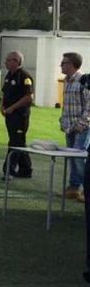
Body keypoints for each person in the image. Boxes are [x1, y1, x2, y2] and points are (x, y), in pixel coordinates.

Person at [60, 52, 90, 202]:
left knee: (80, 158)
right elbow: (67, 105)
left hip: (82, 127)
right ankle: (74, 188)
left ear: (72, 65)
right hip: (70, 127)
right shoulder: (67, 81)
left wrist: (82, 124)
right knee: (72, 158)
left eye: (64, 63)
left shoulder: (83, 80)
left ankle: (85, 190)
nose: (61, 65)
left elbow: (89, 105)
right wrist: (63, 121)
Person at [0, 51, 34, 181]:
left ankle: (9, 170)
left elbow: (28, 97)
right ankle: (26, 169)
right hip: (9, 114)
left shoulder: (24, 77)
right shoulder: (9, 75)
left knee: (15, 143)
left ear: (16, 61)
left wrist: (12, 108)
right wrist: (2, 106)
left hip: (20, 116)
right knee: (19, 142)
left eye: (8, 60)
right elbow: (5, 93)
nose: (6, 63)